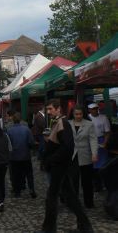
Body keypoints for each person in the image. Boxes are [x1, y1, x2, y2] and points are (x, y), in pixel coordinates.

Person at [37, 99, 93, 233]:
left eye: (51, 109)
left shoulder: (63, 123)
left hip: (59, 166)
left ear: (58, 109)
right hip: (60, 166)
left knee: (52, 197)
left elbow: (67, 147)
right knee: (71, 198)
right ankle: (85, 226)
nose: (48, 112)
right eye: (47, 109)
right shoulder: (58, 122)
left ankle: (48, 229)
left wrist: (51, 159)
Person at [69, 105, 98, 208]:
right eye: (76, 114)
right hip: (72, 157)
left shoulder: (89, 124)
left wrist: (94, 153)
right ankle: (74, 203)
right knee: (73, 181)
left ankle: (89, 202)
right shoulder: (68, 124)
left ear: (83, 114)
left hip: (85, 156)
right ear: (73, 114)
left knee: (87, 181)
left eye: (80, 114)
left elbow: (93, 140)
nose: (78, 116)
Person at [7, 110, 37, 199]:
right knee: (29, 174)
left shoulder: (9, 130)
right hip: (25, 155)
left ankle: (17, 191)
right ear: (20, 120)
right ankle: (31, 190)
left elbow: (8, 144)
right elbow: (31, 142)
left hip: (14, 156)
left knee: (16, 174)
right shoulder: (26, 129)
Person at [87, 102, 110, 192]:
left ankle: (105, 183)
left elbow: (107, 132)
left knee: (102, 164)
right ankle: (96, 184)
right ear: (89, 110)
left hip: (100, 140)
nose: (95, 110)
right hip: (89, 141)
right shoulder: (87, 118)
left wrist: (105, 143)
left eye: (96, 108)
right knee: (92, 164)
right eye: (93, 109)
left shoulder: (103, 118)